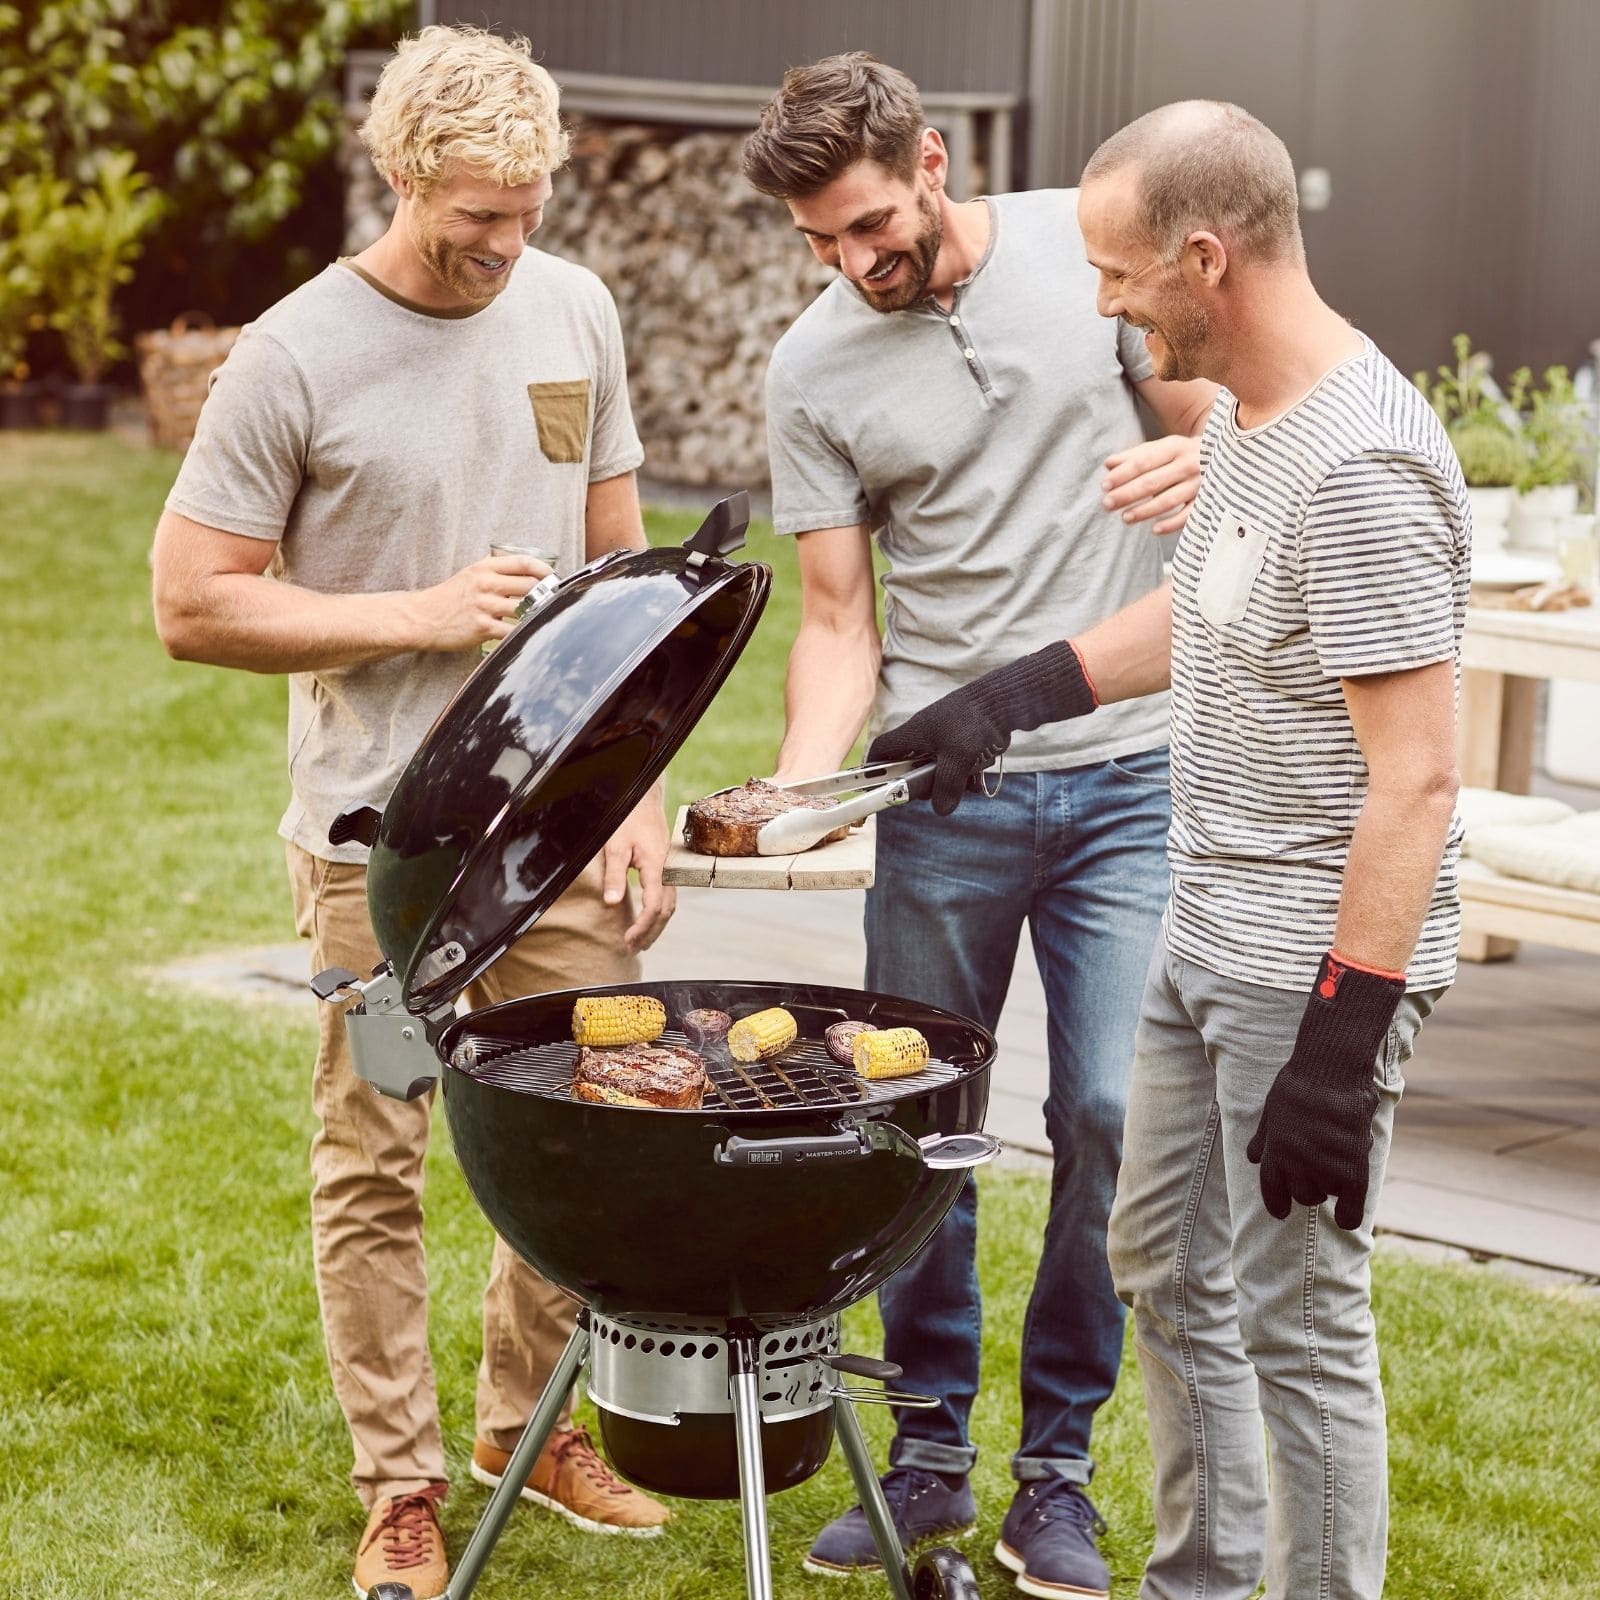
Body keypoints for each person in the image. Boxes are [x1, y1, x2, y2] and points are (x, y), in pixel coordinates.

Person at [867, 100, 1467, 1600]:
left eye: (1121, 273)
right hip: (1201, 936)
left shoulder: (1365, 468)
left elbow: (1420, 778)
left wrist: (1345, 1041)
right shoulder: (1256, 421)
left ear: (1207, 258)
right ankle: (1202, 1579)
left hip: (1306, 977)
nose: (1104, 305)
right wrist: (1009, 699)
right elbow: (1203, 618)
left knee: (1300, 1315)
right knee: (1168, 1269)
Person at [151, 26, 676, 1600]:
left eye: (525, 211)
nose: (503, 248)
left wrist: (635, 786)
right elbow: (190, 604)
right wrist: (424, 610)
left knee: (582, 1135)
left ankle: (538, 1432)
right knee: (375, 1161)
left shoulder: (571, 306)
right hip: (377, 849)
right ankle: (401, 1488)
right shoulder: (293, 355)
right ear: (397, 175)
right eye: (472, 218)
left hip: (554, 827)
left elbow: (620, 560)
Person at [742, 54, 1217, 1598]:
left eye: (872, 225)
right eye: (820, 245)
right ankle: (932, 1450)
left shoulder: (1095, 264)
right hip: (945, 800)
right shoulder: (813, 368)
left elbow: (1240, 432)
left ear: (932, 160)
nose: (854, 266)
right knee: (919, 1124)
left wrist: (1204, 455)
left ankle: (1055, 1475)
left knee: (1108, 1120)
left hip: (1130, 780)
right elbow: (834, 622)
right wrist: (807, 792)